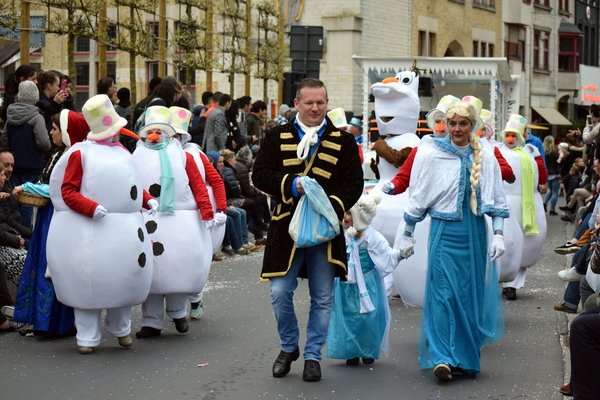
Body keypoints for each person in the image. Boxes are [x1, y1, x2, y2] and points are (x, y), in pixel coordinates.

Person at [253, 78, 363, 382]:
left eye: (321, 102)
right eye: (309, 102)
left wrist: (333, 206)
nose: (315, 108)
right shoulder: (277, 136)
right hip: (286, 229)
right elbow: (260, 174)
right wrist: (291, 184)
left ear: (327, 103)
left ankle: (313, 355)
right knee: (279, 292)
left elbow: (354, 183)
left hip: (326, 232)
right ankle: (289, 346)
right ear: (297, 104)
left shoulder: (343, 141)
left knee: (323, 297)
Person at [400, 101, 508, 381]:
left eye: (463, 123)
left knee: (469, 296)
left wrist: (498, 234)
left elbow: (496, 198)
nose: (457, 129)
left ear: (472, 126)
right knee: (443, 295)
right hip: (443, 233)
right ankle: (443, 357)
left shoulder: (486, 154)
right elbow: (420, 194)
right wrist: (407, 233)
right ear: (445, 125)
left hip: (473, 234)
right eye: (452, 123)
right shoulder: (433, 154)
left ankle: (464, 357)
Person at [46, 95, 155, 354]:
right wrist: (91, 207)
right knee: (88, 288)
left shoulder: (122, 152)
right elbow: (67, 191)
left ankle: (121, 330)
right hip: (90, 231)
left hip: (123, 232)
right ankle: (87, 336)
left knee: (123, 282)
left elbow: (131, 186)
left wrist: (146, 199)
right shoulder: (80, 153)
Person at [132, 105, 222, 339]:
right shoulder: (136, 155)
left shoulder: (181, 154)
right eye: (151, 131)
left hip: (178, 220)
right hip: (147, 219)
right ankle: (151, 321)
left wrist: (207, 212)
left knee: (176, 268)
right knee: (150, 273)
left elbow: (197, 184)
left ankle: (178, 312)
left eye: (160, 131)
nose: (155, 136)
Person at [12, 110, 88, 337]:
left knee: (52, 266)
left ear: (66, 132)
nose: (51, 132)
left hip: (59, 217)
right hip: (48, 216)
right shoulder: (60, 154)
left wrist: (26, 188)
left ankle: (52, 322)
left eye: (55, 128)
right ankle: (41, 320)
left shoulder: (72, 155)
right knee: (42, 265)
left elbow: (57, 189)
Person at [327, 192, 409, 366]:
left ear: (360, 217)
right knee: (347, 316)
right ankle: (351, 351)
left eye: (349, 213)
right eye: (345, 212)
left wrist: (401, 254)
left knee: (369, 318)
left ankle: (368, 349)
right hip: (346, 284)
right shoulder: (340, 235)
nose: (345, 216)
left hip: (367, 283)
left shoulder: (373, 237)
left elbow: (387, 255)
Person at [1, 80, 51, 229]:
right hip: (33, 164)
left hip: (14, 165)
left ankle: (15, 229)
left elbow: (4, 139)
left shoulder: (10, 115)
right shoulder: (36, 117)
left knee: (14, 197)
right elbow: (43, 142)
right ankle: (26, 232)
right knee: (28, 201)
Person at [36, 70, 69, 135]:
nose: (58, 89)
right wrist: (55, 103)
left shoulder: (44, 99)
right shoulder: (43, 102)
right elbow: (47, 119)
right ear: (49, 86)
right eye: (57, 85)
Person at [543, 135, 560, 215]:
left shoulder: (543, 152)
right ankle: (552, 209)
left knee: (550, 190)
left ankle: (544, 203)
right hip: (555, 173)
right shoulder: (555, 153)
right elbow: (559, 163)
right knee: (555, 192)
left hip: (547, 173)